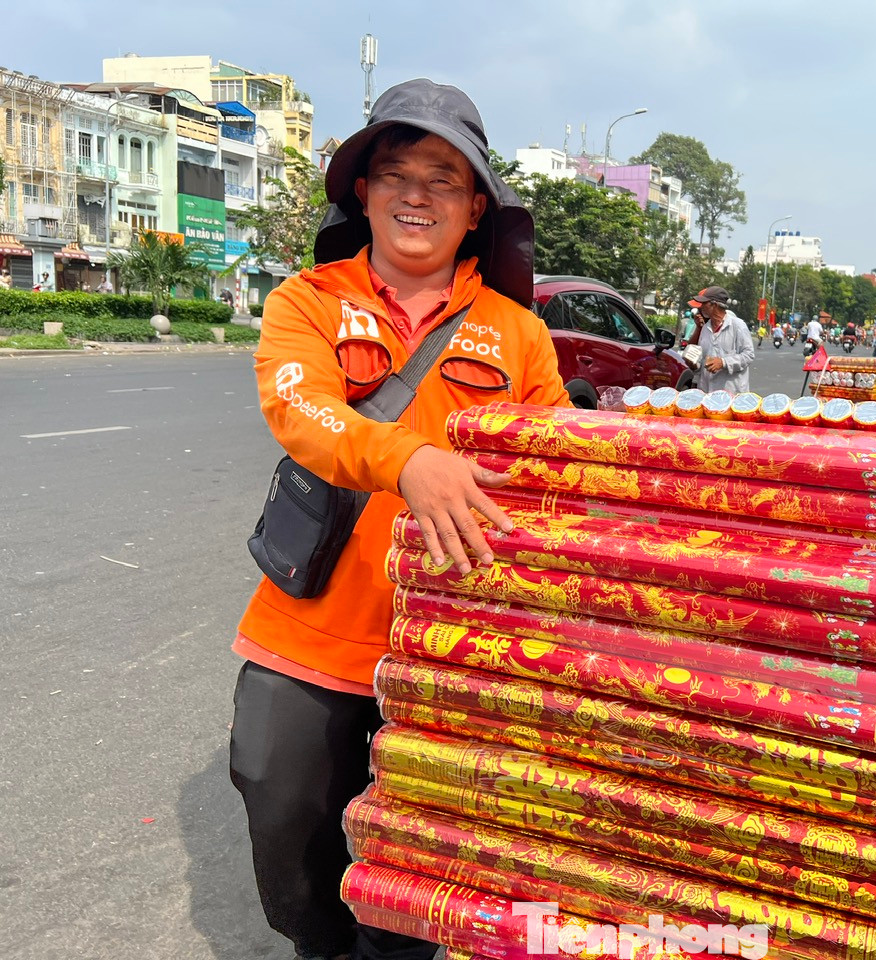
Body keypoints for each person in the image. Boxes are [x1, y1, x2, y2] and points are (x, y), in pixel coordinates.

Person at [228, 78, 569, 960]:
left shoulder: (519, 334)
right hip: (310, 631)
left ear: (474, 211)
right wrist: (407, 457)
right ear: (364, 194)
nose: (417, 194)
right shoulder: (306, 301)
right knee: (283, 816)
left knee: (414, 879)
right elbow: (302, 411)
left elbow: (559, 471)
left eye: (444, 179)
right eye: (396, 173)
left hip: (452, 650)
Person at [689, 285, 755, 393]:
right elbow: (702, 360)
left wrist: (723, 362)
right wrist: (694, 364)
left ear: (714, 304)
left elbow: (748, 355)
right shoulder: (705, 328)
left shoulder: (738, 325)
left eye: (704, 303)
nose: (701, 307)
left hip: (731, 395)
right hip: (707, 393)